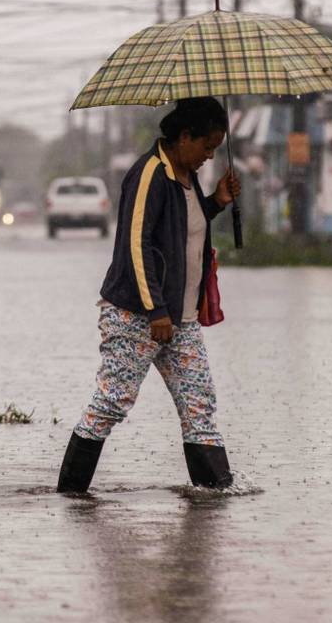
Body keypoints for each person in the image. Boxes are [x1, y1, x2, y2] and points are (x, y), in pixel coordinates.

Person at [56, 96, 241, 493]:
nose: (210, 155)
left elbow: (180, 230)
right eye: (207, 146)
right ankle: (71, 496)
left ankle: (216, 498)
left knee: (199, 406)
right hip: (136, 315)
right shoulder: (149, 174)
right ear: (184, 136)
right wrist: (156, 310)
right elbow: (135, 245)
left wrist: (216, 203)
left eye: (215, 148)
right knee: (113, 401)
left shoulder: (187, 176)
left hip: (181, 319)